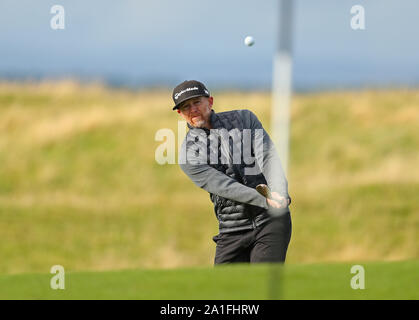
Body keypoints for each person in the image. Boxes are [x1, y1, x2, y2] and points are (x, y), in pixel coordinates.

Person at [173, 80, 292, 264]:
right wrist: (264, 199)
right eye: (186, 106)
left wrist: (279, 191)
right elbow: (226, 187)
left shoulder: (245, 119)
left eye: (197, 102)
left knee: (262, 285)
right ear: (181, 113)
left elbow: (268, 157)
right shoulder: (188, 156)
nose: (193, 109)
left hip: (270, 221)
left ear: (210, 102)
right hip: (231, 231)